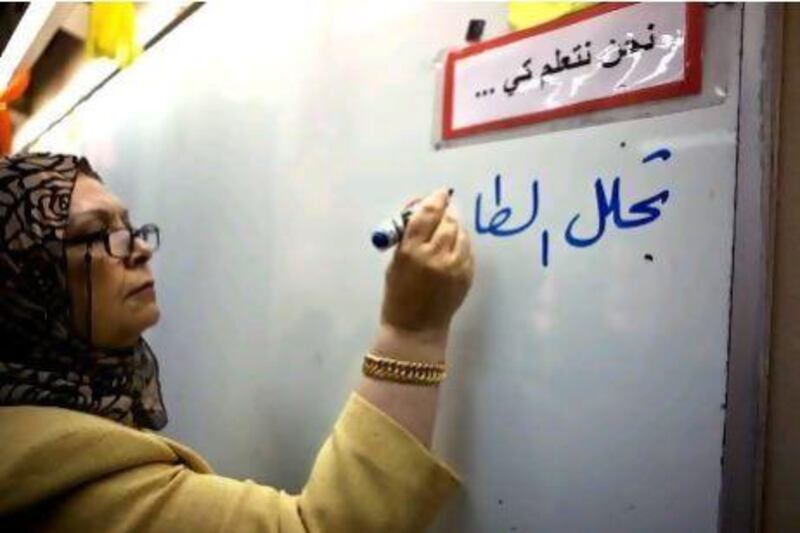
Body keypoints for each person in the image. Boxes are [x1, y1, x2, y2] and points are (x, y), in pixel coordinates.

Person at [0, 153, 475, 531]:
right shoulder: (65, 480)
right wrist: (413, 331)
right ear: (20, 281)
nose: (138, 248)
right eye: (94, 234)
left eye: (128, 227)